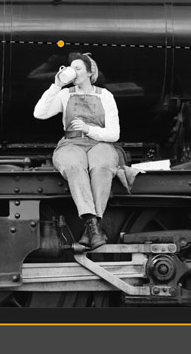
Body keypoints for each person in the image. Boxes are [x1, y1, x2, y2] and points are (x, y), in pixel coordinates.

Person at [33, 52, 120, 249]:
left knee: (102, 166)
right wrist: (56, 85)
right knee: (74, 166)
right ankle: (93, 228)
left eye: (78, 68)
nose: (74, 72)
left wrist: (89, 129)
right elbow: (39, 113)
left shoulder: (105, 96)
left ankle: (91, 227)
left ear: (90, 72)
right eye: (71, 68)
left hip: (99, 143)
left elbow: (114, 134)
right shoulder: (65, 94)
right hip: (71, 144)